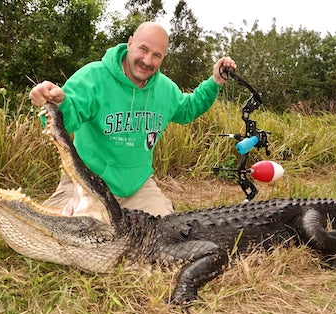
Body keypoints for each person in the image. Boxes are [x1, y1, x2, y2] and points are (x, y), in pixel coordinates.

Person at [29, 21, 237, 217]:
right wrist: (57, 104)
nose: (147, 61)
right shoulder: (93, 77)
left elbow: (188, 109)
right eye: (143, 49)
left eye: (157, 55)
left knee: (166, 235)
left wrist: (215, 81)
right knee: (59, 234)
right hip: (86, 184)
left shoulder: (165, 89)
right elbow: (67, 120)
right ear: (129, 43)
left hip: (137, 189)